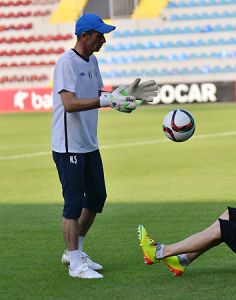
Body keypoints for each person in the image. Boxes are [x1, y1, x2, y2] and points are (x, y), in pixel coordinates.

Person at [52, 13, 159, 279]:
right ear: (84, 36)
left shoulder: (93, 61)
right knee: (73, 205)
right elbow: (69, 103)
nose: (104, 40)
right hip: (69, 147)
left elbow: (99, 94)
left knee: (97, 197)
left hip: (88, 144)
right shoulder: (66, 62)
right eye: (99, 35)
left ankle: (75, 251)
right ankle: (76, 265)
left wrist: (122, 95)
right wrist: (107, 101)